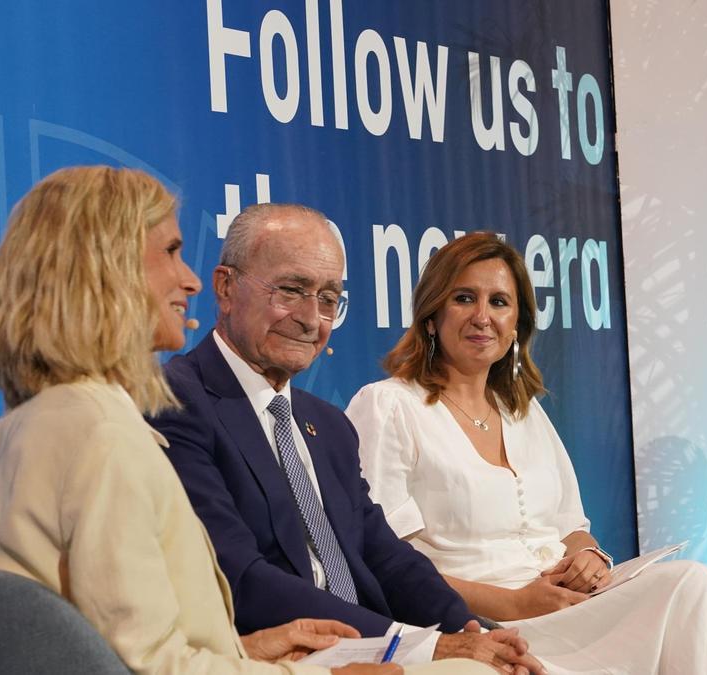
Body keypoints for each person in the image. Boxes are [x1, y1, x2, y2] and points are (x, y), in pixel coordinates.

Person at [0, 166, 414, 674]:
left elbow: (117, 645)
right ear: (107, 267)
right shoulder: (104, 436)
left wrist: (247, 650)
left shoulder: (22, 428)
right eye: (171, 251)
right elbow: (154, 667)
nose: (191, 280)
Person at [149, 203, 541, 675]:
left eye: (329, 298)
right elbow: (237, 575)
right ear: (226, 287)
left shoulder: (328, 425)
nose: (312, 319)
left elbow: (385, 555)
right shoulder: (175, 402)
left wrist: (471, 632)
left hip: (375, 647)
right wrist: (414, 646)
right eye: (292, 291)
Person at [346, 232, 707, 673]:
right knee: (687, 586)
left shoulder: (523, 412)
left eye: (500, 302)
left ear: (518, 324)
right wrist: (519, 602)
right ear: (431, 317)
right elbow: (388, 563)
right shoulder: (389, 406)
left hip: (571, 608)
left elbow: (572, 528)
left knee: (690, 584)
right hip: (481, 621)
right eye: (464, 298)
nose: (483, 317)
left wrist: (590, 559)